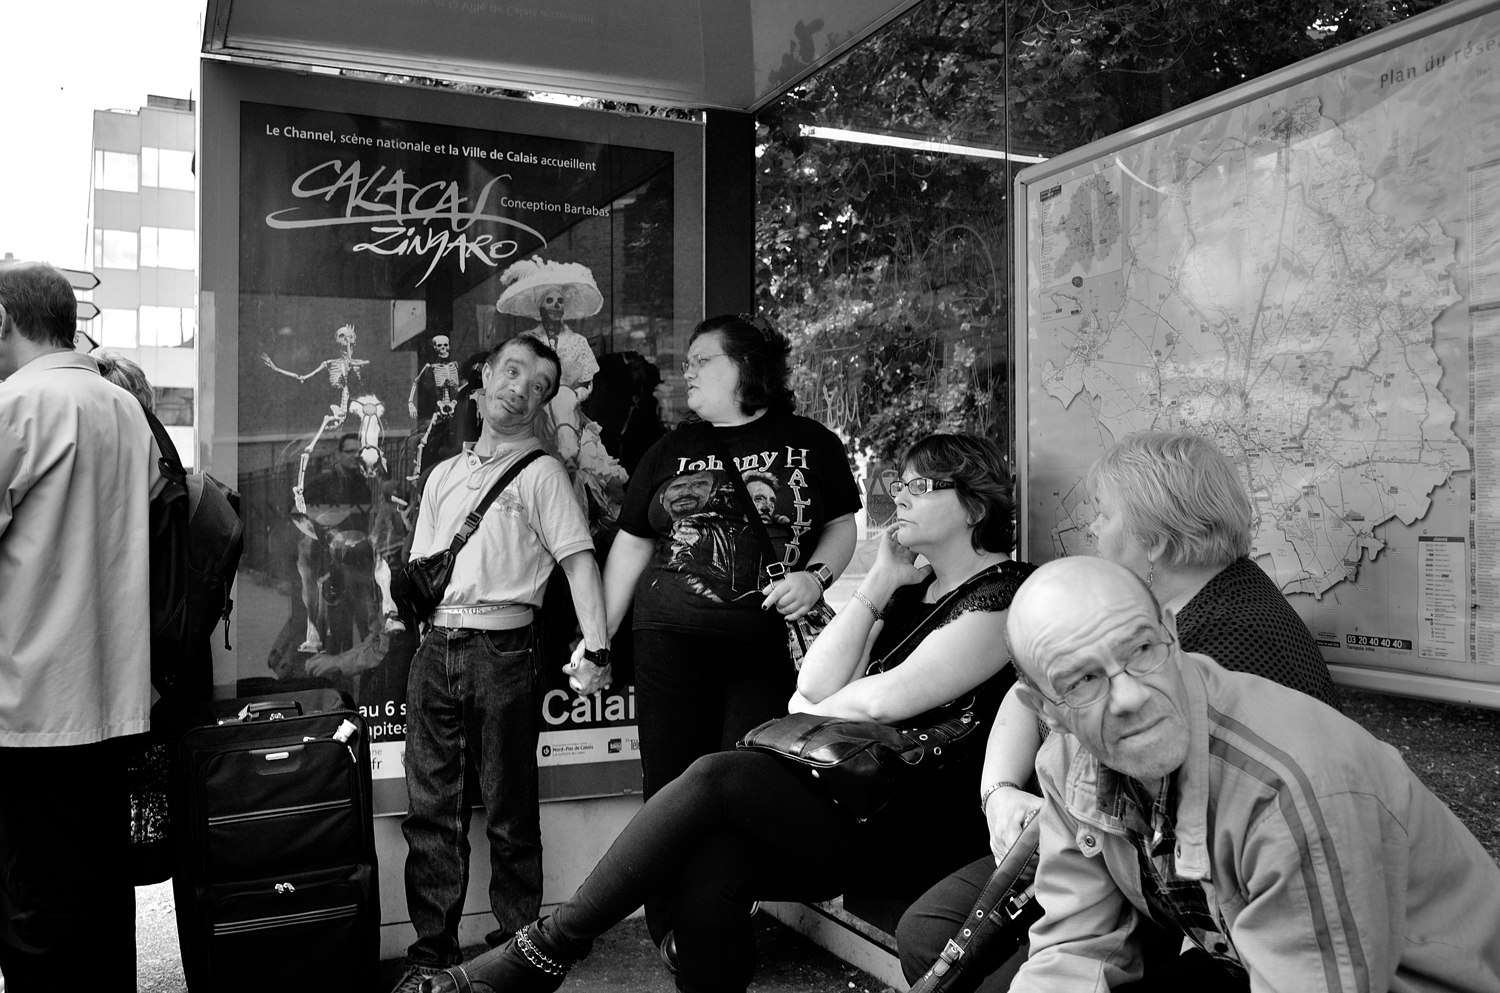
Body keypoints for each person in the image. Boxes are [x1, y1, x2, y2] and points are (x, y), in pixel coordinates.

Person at [425, 433, 1038, 993]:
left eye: (919, 485)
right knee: (711, 863)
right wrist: (878, 581)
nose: (898, 495)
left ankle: (549, 946)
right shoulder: (908, 591)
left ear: (974, 506)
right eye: (898, 482)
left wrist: (812, 711)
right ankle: (552, 953)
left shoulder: (1005, 595)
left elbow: (882, 698)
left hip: (920, 823)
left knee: (720, 775)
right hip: (861, 799)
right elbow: (815, 681)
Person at [898, 430, 1342, 992]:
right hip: (1113, 843)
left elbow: (1197, 852)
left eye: (1103, 515)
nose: (1091, 530)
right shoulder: (1165, 605)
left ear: (1152, 539)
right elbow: (1029, 694)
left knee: (943, 943)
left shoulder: (1227, 641)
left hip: (1181, 882)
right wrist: (999, 791)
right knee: (931, 931)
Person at [1001, 555, 1500, 992]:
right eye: (1083, 680)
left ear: (1172, 631)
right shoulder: (1069, 767)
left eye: (1142, 649)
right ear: (1044, 709)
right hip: (1255, 958)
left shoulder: (1289, 795)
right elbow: (1076, 946)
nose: (1129, 696)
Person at [390, 336, 612, 993]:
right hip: (435, 648)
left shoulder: (542, 474)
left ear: (543, 403)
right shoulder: (442, 474)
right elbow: (422, 569)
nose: (521, 388)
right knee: (431, 812)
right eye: (512, 371)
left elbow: (579, 563)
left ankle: (518, 955)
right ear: (484, 376)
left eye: (539, 384)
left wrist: (597, 648)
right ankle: (431, 958)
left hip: (504, 649)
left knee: (510, 812)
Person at [578, 314, 861, 811]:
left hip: (764, 645)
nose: (686, 370)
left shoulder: (811, 441)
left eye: (702, 360)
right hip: (667, 642)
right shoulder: (668, 449)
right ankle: (671, 868)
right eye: (687, 362)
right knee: (669, 792)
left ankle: (729, 866)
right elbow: (632, 545)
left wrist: (815, 579)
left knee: (745, 788)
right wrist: (597, 641)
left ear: (747, 366)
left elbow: (840, 525)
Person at [0, 260, 161, 990]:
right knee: (102, 898)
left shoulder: (17, 405)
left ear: (4, 319)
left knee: (34, 909)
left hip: (30, 705)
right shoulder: (125, 409)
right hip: (114, 696)